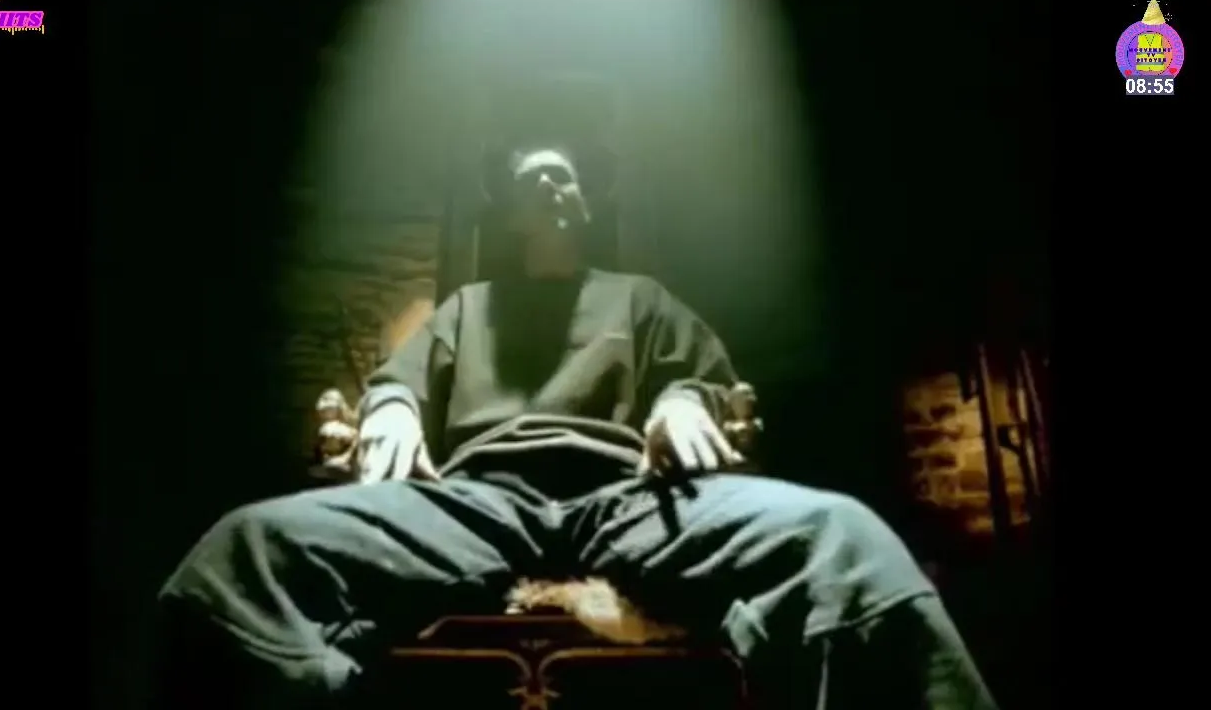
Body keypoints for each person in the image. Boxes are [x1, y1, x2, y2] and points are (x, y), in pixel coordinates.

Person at [154, 144, 998, 709]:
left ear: (588, 204)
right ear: (511, 212)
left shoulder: (640, 300)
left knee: (844, 536)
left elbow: (705, 382)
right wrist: (393, 407)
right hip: (477, 501)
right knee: (241, 552)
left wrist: (685, 402)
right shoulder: (465, 309)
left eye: (567, 179)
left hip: (633, 496)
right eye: (537, 181)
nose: (556, 189)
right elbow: (396, 384)